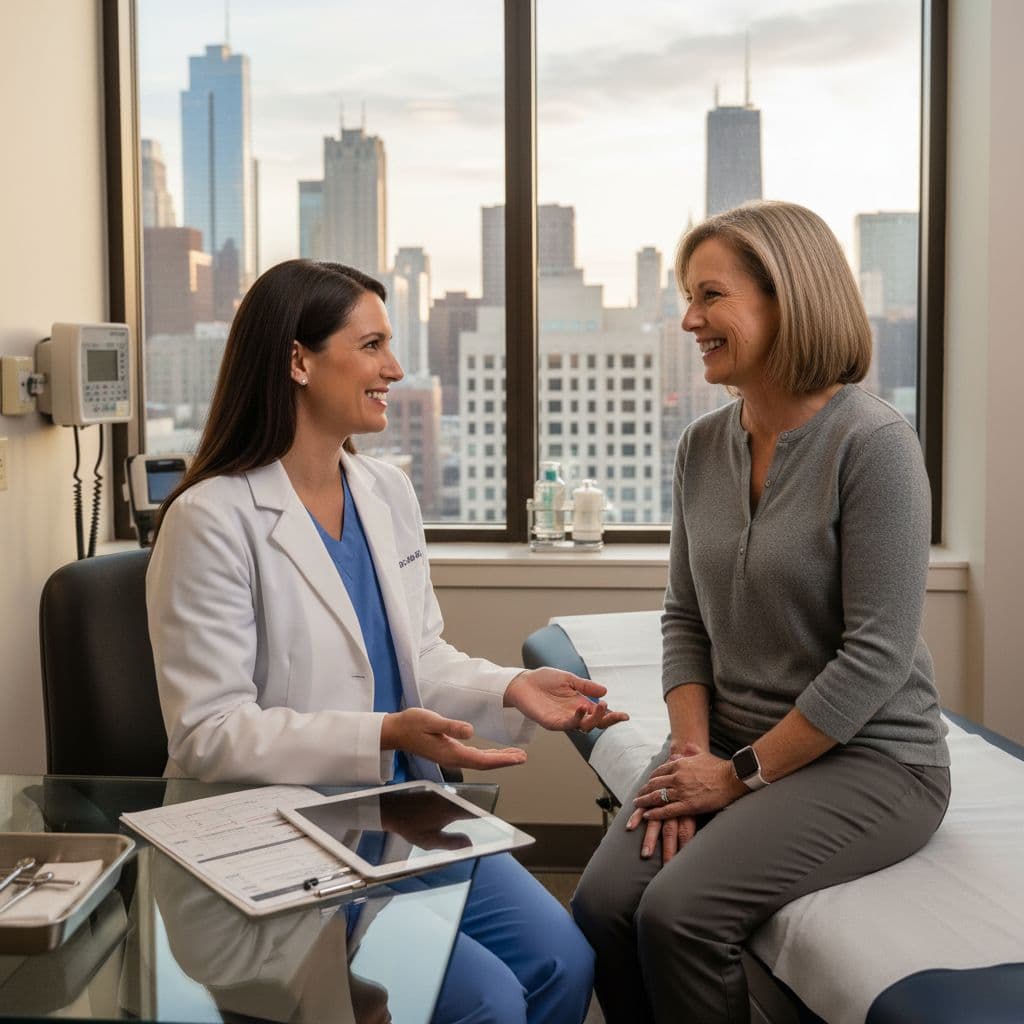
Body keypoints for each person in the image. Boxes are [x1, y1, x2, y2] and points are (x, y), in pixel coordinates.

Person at [146, 258, 628, 1024]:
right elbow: (208, 733)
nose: (394, 369)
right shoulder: (212, 518)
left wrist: (510, 687)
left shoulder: (384, 491)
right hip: (277, 830)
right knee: (492, 1002)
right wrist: (384, 732)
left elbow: (421, 657)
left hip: (399, 811)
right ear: (299, 361)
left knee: (564, 959)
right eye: (371, 346)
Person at [571, 201, 951, 1024]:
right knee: (601, 904)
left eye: (710, 296)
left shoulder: (875, 445)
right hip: (728, 743)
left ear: (788, 299)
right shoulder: (703, 446)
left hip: (873, 760)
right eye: (687, 296)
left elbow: (877, 656)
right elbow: (684, 618)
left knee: (683, 913)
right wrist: (694, 753)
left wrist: (735, 779)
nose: (689, 319)